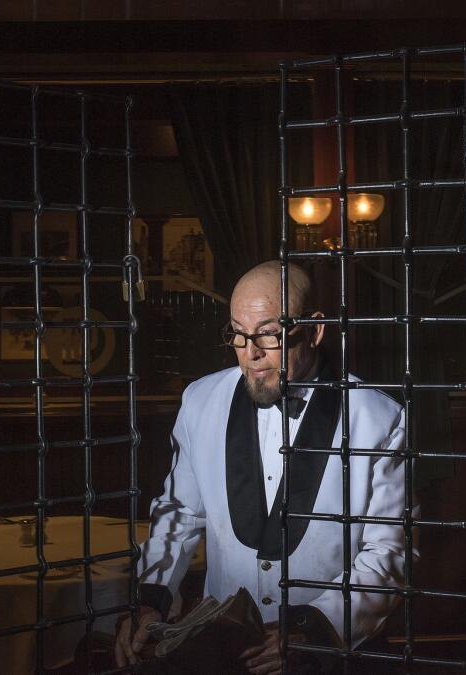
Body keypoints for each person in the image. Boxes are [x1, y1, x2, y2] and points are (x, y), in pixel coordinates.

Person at [115, 261, 412, 674]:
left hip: (330, 658)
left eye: (269, 334)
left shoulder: (380, 418)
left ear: (316, 329)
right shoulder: (200, 401)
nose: (250, 353)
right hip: (223, 652)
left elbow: (388, 553)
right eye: (237, 333)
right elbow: (179, 513)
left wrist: (314, 632)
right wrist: (151, 601)